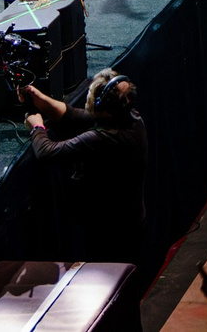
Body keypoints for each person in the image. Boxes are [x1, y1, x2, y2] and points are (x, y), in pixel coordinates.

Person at [24, 72, 150, 261]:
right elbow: (75, 116)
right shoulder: (130, 117)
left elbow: (47, 152)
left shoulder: (102, 138)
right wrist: (39, 98)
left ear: (102, 107)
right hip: (126, 223)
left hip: (111, 236)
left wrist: (37, 128)